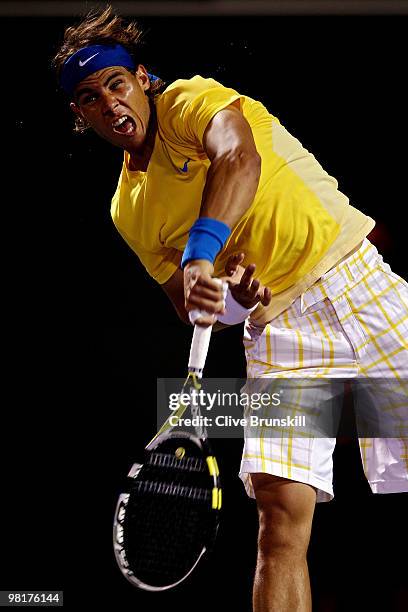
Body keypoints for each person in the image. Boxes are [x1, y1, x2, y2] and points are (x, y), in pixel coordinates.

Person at [54, 6, 408, 611]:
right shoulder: (127, 209)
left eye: (115, 83)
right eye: (90, 97)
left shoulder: (191, 101)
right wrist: (232, 301)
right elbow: (197, 308)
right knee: (279, 519)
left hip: (355, 283)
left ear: (142, 79)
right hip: (278, 334)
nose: (109, 103)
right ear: (80, 114)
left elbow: (239, 158)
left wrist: (201, 252)